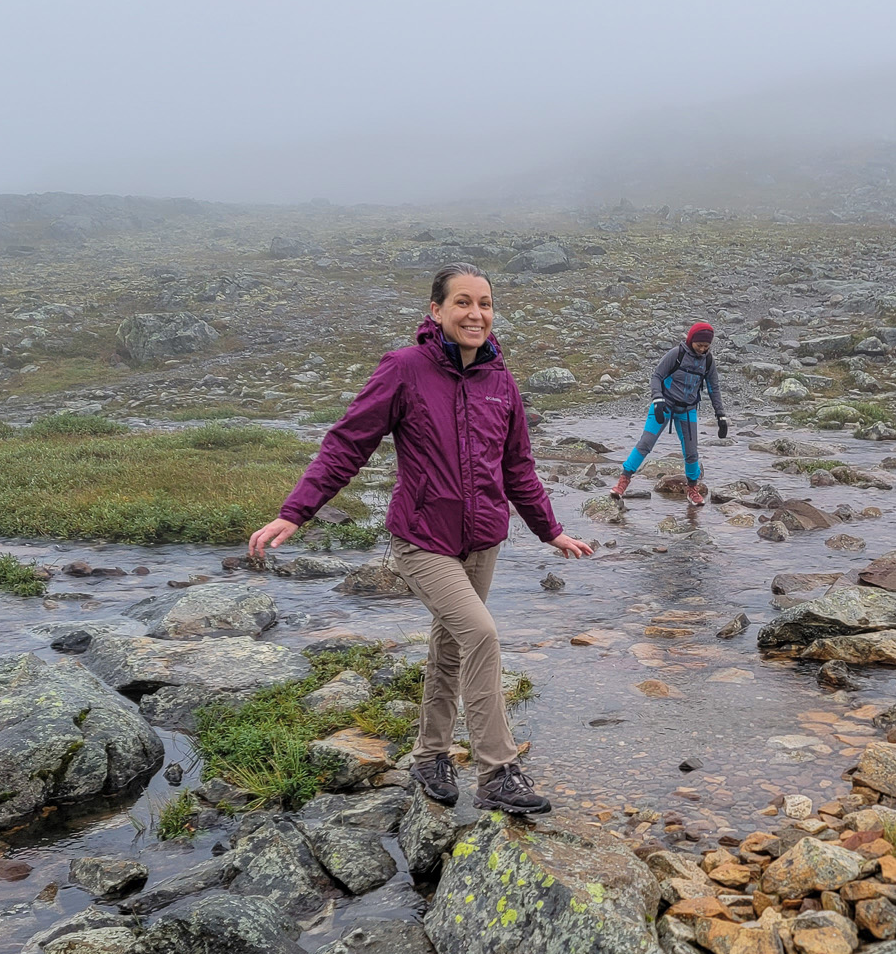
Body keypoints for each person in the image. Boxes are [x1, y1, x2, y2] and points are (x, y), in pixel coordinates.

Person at [248, 265, 593, 816]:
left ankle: (430, 754)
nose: (476, 314)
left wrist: (549, 529)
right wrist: (297, 511)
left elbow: (518, 465)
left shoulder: (501, 381)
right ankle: (498, 771)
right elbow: (347, 444)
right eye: (463, 302)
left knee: (452, 643)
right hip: (422, 539)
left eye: (485, 303)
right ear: (436, 311)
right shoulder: (404, 369)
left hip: (483, 539)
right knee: (480, 633)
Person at [612, 322, 728, 506]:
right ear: (691, 341)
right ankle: (623, 481)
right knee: (645, 444)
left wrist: (720, 415)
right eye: (700, 345)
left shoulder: (708, 361)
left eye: (706, 346)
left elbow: (714, 388)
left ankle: (692, 489)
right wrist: (657, 399)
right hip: (664, 405)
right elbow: (657, 376)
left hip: (688, 409)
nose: (702, 349)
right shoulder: (676, 354)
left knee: (691, 454)